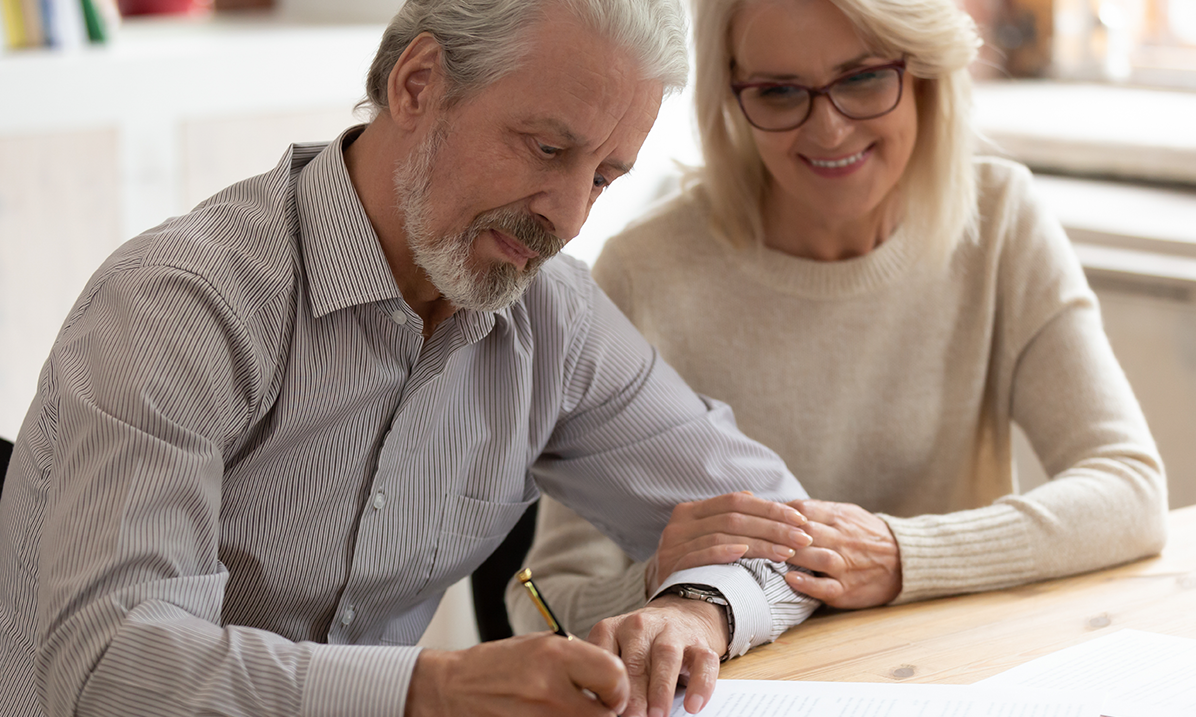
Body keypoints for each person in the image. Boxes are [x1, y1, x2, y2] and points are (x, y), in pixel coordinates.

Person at [0, 2, 822, 716]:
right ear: (418, 83)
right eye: (544, 148)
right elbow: (112, 668)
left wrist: (696, 610)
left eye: (604, 177)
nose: (568, 217)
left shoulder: (552, 317)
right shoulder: (177, 307)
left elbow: (790, 532)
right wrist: (432, 692)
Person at [506, 0, 1169, 640]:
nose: (828, 130)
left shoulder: (1001, 219)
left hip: (957, 667)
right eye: (779, 92)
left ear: (926, 71)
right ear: (732, 94)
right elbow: (543, 603)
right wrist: (663, 583)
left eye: (863, 78)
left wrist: (899, 554)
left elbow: (1129, 488)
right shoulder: (643, 269)